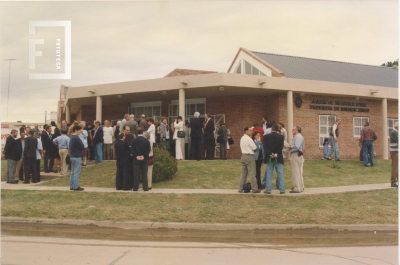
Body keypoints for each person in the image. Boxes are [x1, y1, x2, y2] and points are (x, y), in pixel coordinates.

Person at [263, 124, 285, 194]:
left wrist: (270, 154)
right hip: (278, 157)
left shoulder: (265, 137)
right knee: (280, 173)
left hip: (269, 157)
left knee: (269, 174)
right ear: (278, 129)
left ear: (271, 129)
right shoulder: (281, 137)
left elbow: (265, 148)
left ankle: (268, 189)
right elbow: (280, 148)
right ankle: (282, 189)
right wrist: (275, 154)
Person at [238, 127, 260, 193]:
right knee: (252, 173)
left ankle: (240, 188)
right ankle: (255, 189)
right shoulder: (249, 139)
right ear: (246, 131)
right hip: (249, 156)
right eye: (250, 130)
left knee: (243, 174)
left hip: (243, 155)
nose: (251, 132)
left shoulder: (242, 138)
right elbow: (255, 148)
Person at [288, 126, 305, 193]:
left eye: (293, 129)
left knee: (296, 172)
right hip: (299, 155)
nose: (292, 131)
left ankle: (297, 188)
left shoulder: (297, 137)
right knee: (298, 172)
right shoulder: (300, 137)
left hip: (295, 154)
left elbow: (297, 146)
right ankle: (300, 187)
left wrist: (290, 147)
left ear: (297, 130)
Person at [69, 125, 85, 191]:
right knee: (76, 172)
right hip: (77, 156)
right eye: (79, 130)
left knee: (73, 172)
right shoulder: (76, 138)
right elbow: (82, 146)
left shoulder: (71, 137)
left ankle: (72, 185)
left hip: (72, 156)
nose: (80, 132)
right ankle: (75, 186)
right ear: (76, 130)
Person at [122, 125, 135, 189]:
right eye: (127, 130)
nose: (128, 131)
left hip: (131, 156)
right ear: (123, 130)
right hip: (124, 156)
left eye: (129, 130)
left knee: (131, 170)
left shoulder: (131, 136)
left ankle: (131, 184)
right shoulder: (121, 136)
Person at [390, 122, 398, 187]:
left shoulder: (396, 132)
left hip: (396, 151)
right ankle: (393, 182)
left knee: (397, 167)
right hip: (395, 152)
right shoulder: (394, 132)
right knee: (395, 167)